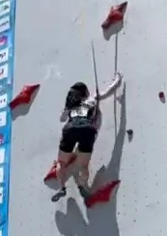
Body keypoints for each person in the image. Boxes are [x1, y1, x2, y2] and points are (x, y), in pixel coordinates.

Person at [52, 73, 123, 203]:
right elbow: (109, 91)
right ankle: (82, 184)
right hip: (88, 130)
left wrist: (67, 108)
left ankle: (62, 188)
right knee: (83, 165)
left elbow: (62, 119)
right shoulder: (92, 99)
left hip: (71, 129)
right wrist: (118, 80)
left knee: (61, 163)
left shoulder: (71, 105)